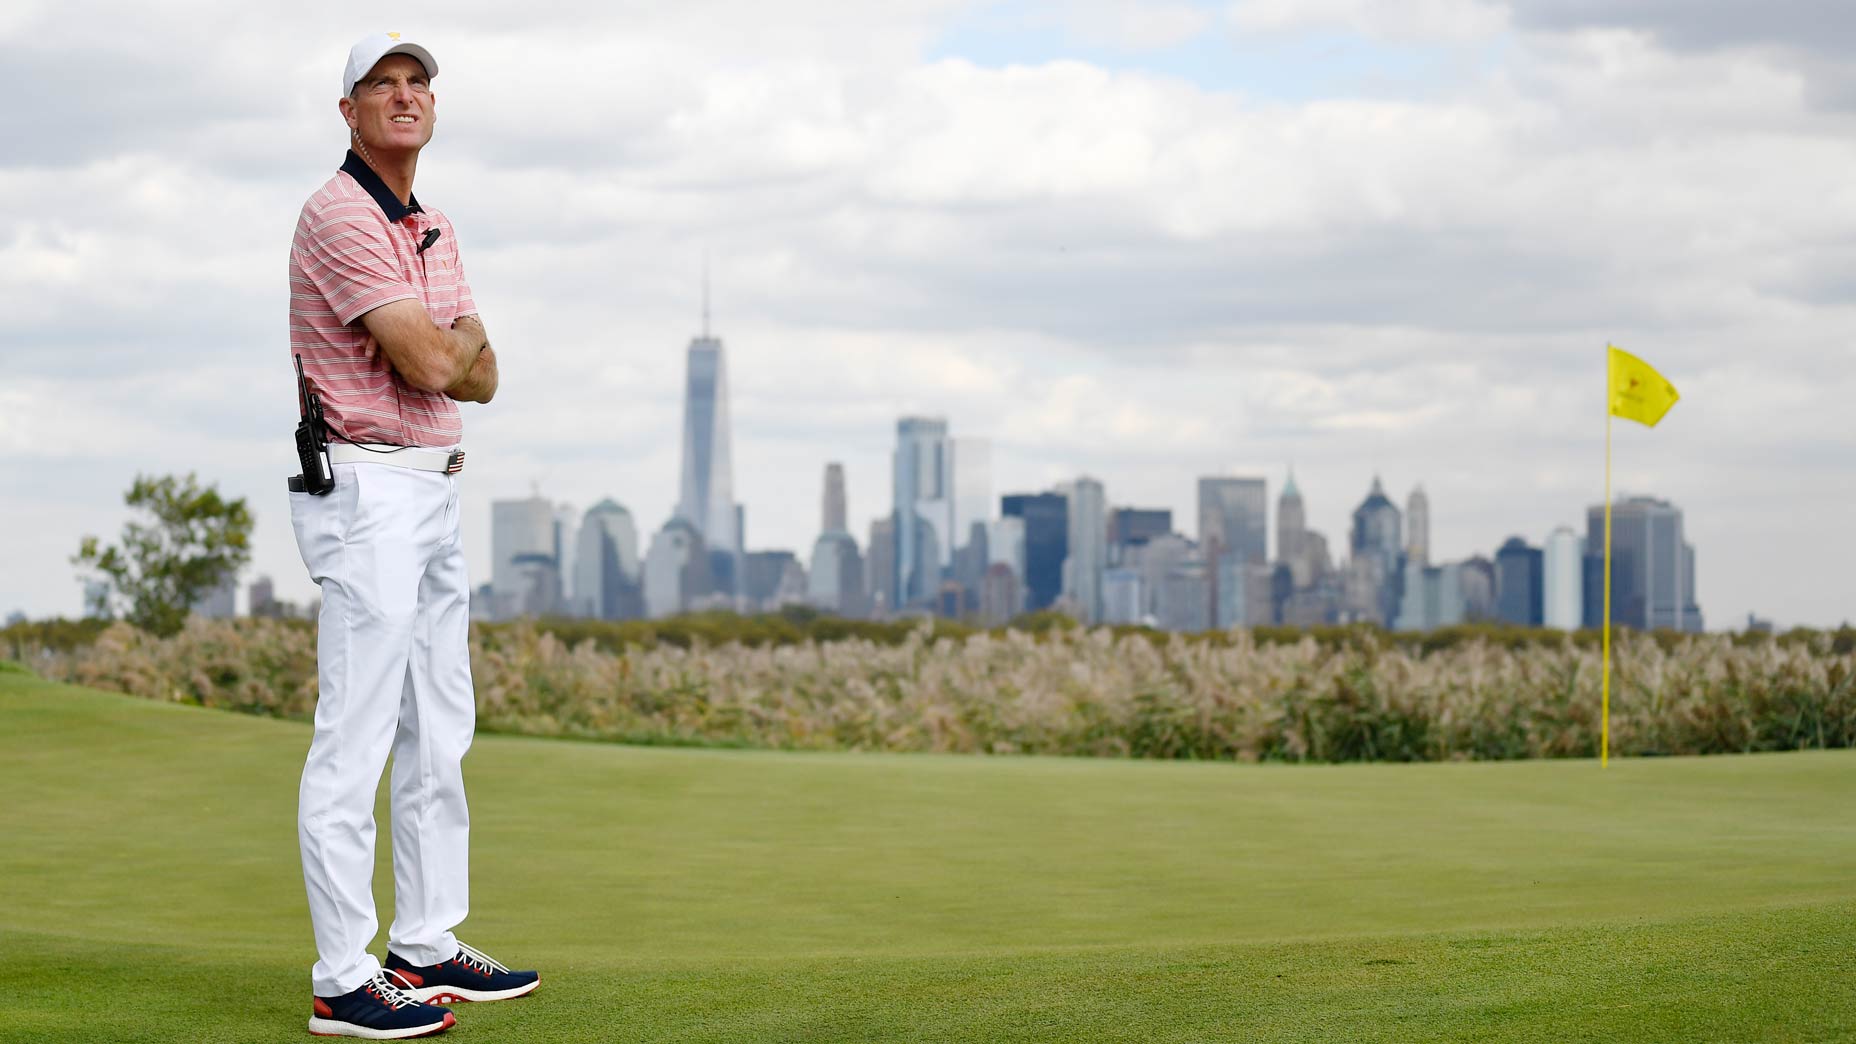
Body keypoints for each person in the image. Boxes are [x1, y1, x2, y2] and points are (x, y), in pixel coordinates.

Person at [287, 32, 537, 1039]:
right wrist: (449, 348)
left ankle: (425, 942)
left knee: (440, 726)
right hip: (365, 486)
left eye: (416, 83)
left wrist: (451, 349)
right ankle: (342, 977)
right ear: (347, 111)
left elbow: (484, 371)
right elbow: (439, 366)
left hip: (432, 488)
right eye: (380, 85)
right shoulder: (337, 213)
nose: (402, 97)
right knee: (354, 735)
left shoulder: (431, 222)